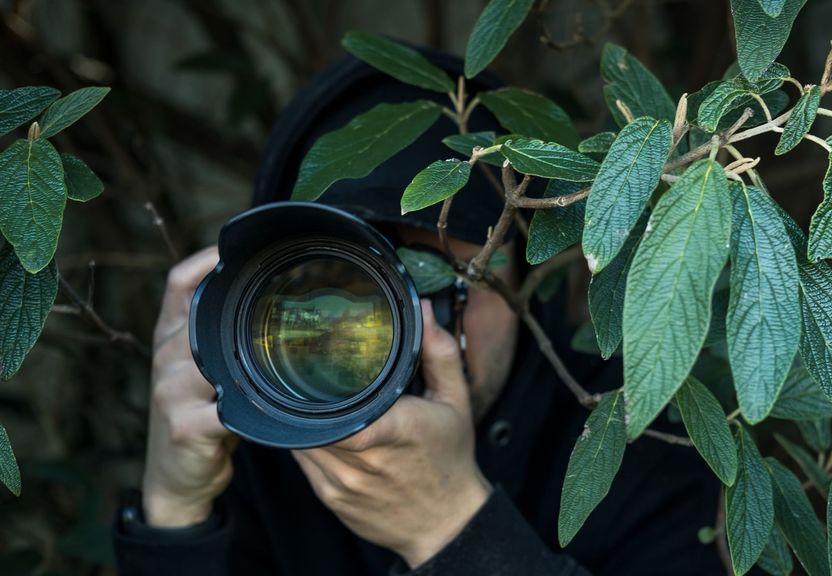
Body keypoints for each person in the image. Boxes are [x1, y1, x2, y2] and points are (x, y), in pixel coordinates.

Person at [112, 47, 725, 575]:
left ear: (528, 278)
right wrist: (175, 518)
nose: (407, 330)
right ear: (256, 298)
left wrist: (454, 530)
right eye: (340, 294)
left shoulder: (632, 439)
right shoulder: (251, 437)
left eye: (453, 276)